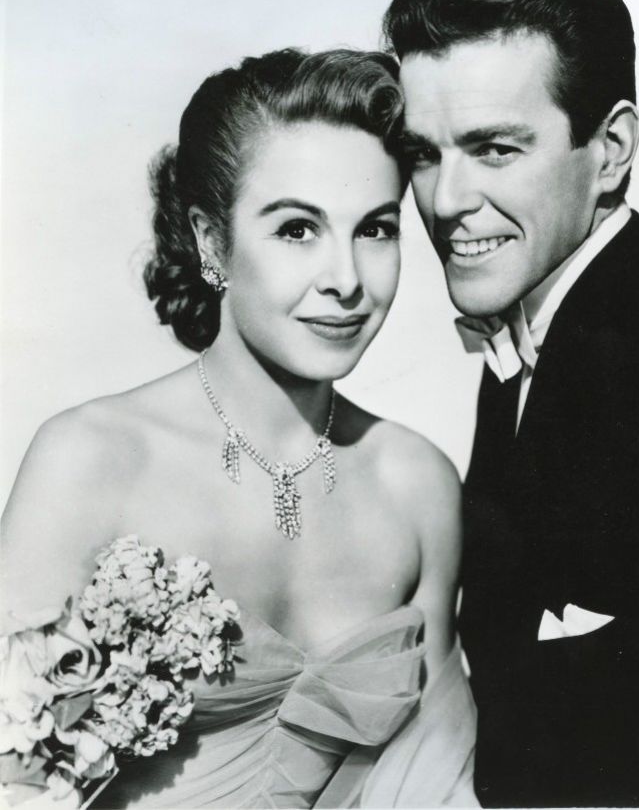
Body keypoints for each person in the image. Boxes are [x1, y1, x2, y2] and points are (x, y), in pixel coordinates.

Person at [0, 48, 477, 808]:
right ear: (210, 241)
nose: (347, 280)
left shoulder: (418, 483)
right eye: (298, 229)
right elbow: (12, 775)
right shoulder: (91, 461)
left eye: (376, 230)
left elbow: (439, 780)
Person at [383, 0, 639, 807]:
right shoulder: (545, 315)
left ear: (610, 149)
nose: (444, 201)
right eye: (424, 154)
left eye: (494, 149)